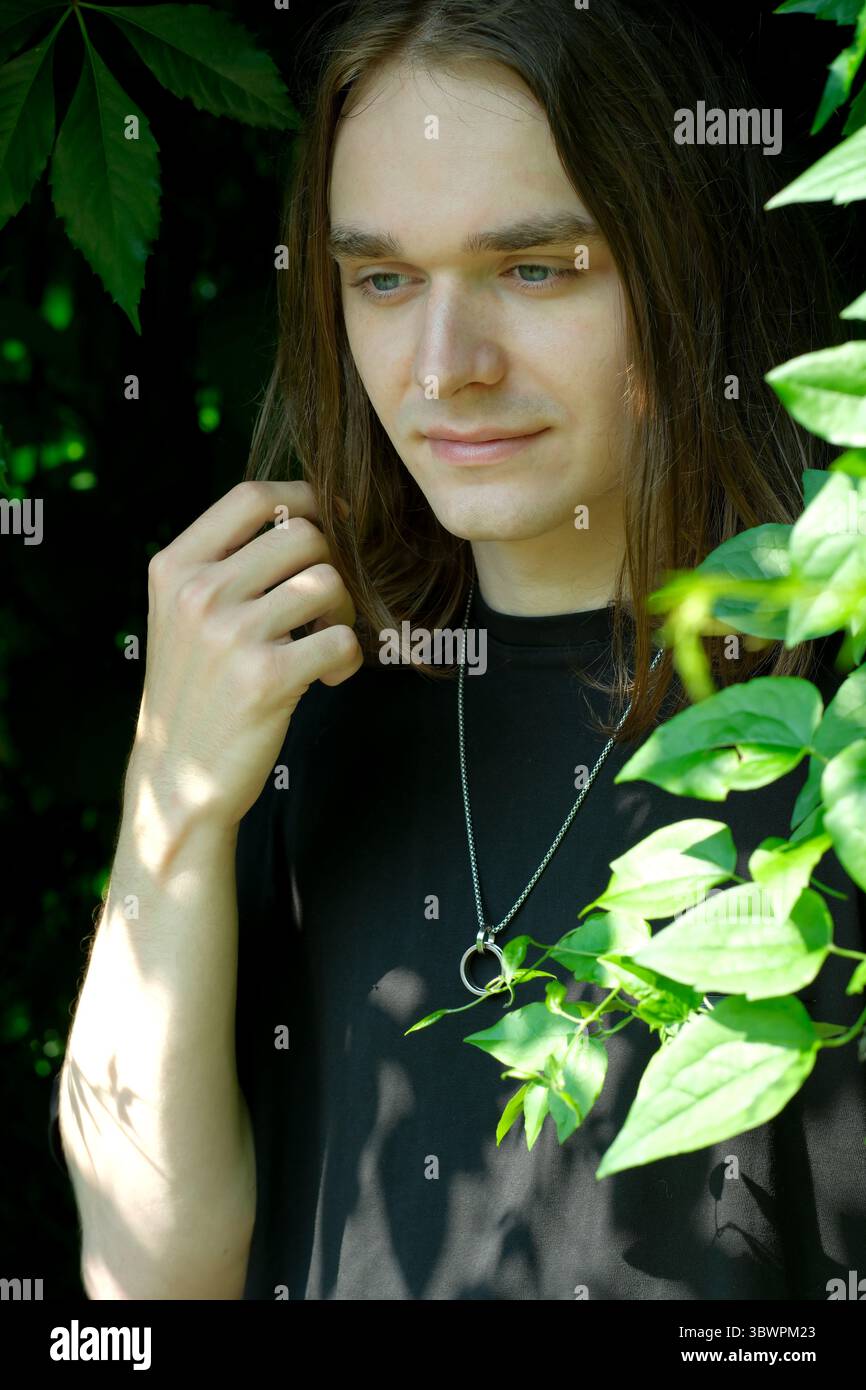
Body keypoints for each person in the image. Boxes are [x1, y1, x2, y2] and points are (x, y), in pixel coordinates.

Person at [50, 0, 866, 1299]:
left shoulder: (837, 714)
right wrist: (174, 801)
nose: (440, 368)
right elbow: (147, 1283)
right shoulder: (286, 689)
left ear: (686, 260)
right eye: (381, 279)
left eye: (534, 268)